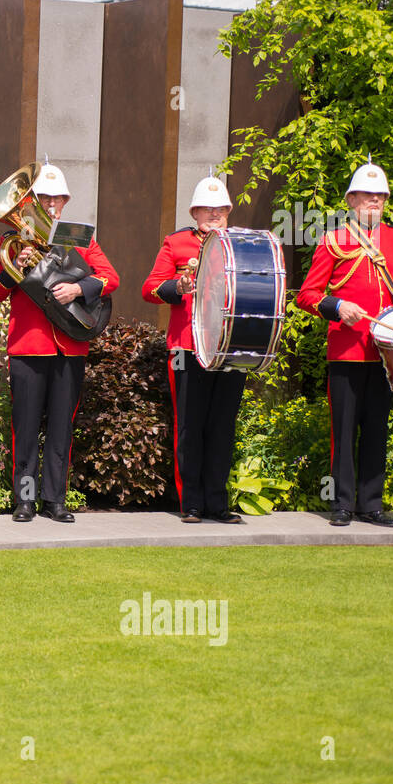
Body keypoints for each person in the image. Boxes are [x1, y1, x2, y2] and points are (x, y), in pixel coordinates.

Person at [296, 161, 393, 527]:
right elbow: (307, 296)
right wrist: (339, 307)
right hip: (346, 350)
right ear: (351, 200)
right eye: (366, 196)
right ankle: (341, 505)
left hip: (387, 355)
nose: (374, 202)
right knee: (343, 431)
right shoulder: (332, 240)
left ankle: (371, 505)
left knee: (376, 430)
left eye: (380, 197)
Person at [0, 163, 119, 523]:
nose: (49, 205)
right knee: (26, 428)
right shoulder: (11, 240)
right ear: (31, 201)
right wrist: (14, 264)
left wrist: (78, 288)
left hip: (70, 347)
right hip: (28, 347)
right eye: (43, 198)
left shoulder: (79, 235)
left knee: (62, 426)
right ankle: (26, 501)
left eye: (55, 199)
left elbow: (110, 278)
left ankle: (55, 502)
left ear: (65, 202)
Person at [142, 176, 245, 524]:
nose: (214, 214)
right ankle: (192, 504)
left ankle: (218, 502)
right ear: (195, 212)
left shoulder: (241, 243)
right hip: (186, 346)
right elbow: (150, 288)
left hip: (229, 346)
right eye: (207, 209)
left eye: (220, 209)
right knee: (189, 425)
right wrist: (178, 286)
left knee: (222, 426)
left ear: (228, 212)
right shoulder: (176, 243)